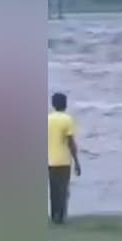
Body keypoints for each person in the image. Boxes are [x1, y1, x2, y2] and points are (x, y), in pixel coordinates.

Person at [48, 92, 81, 224]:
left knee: (53, 189)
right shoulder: (67, 119)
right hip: (63, 160)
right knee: (63, 189)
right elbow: (70, 142)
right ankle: (61, 216)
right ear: (65, 104)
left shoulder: (48, 119)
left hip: (49, 159)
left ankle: (54, 214)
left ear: (53, 104)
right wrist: (77, 161)